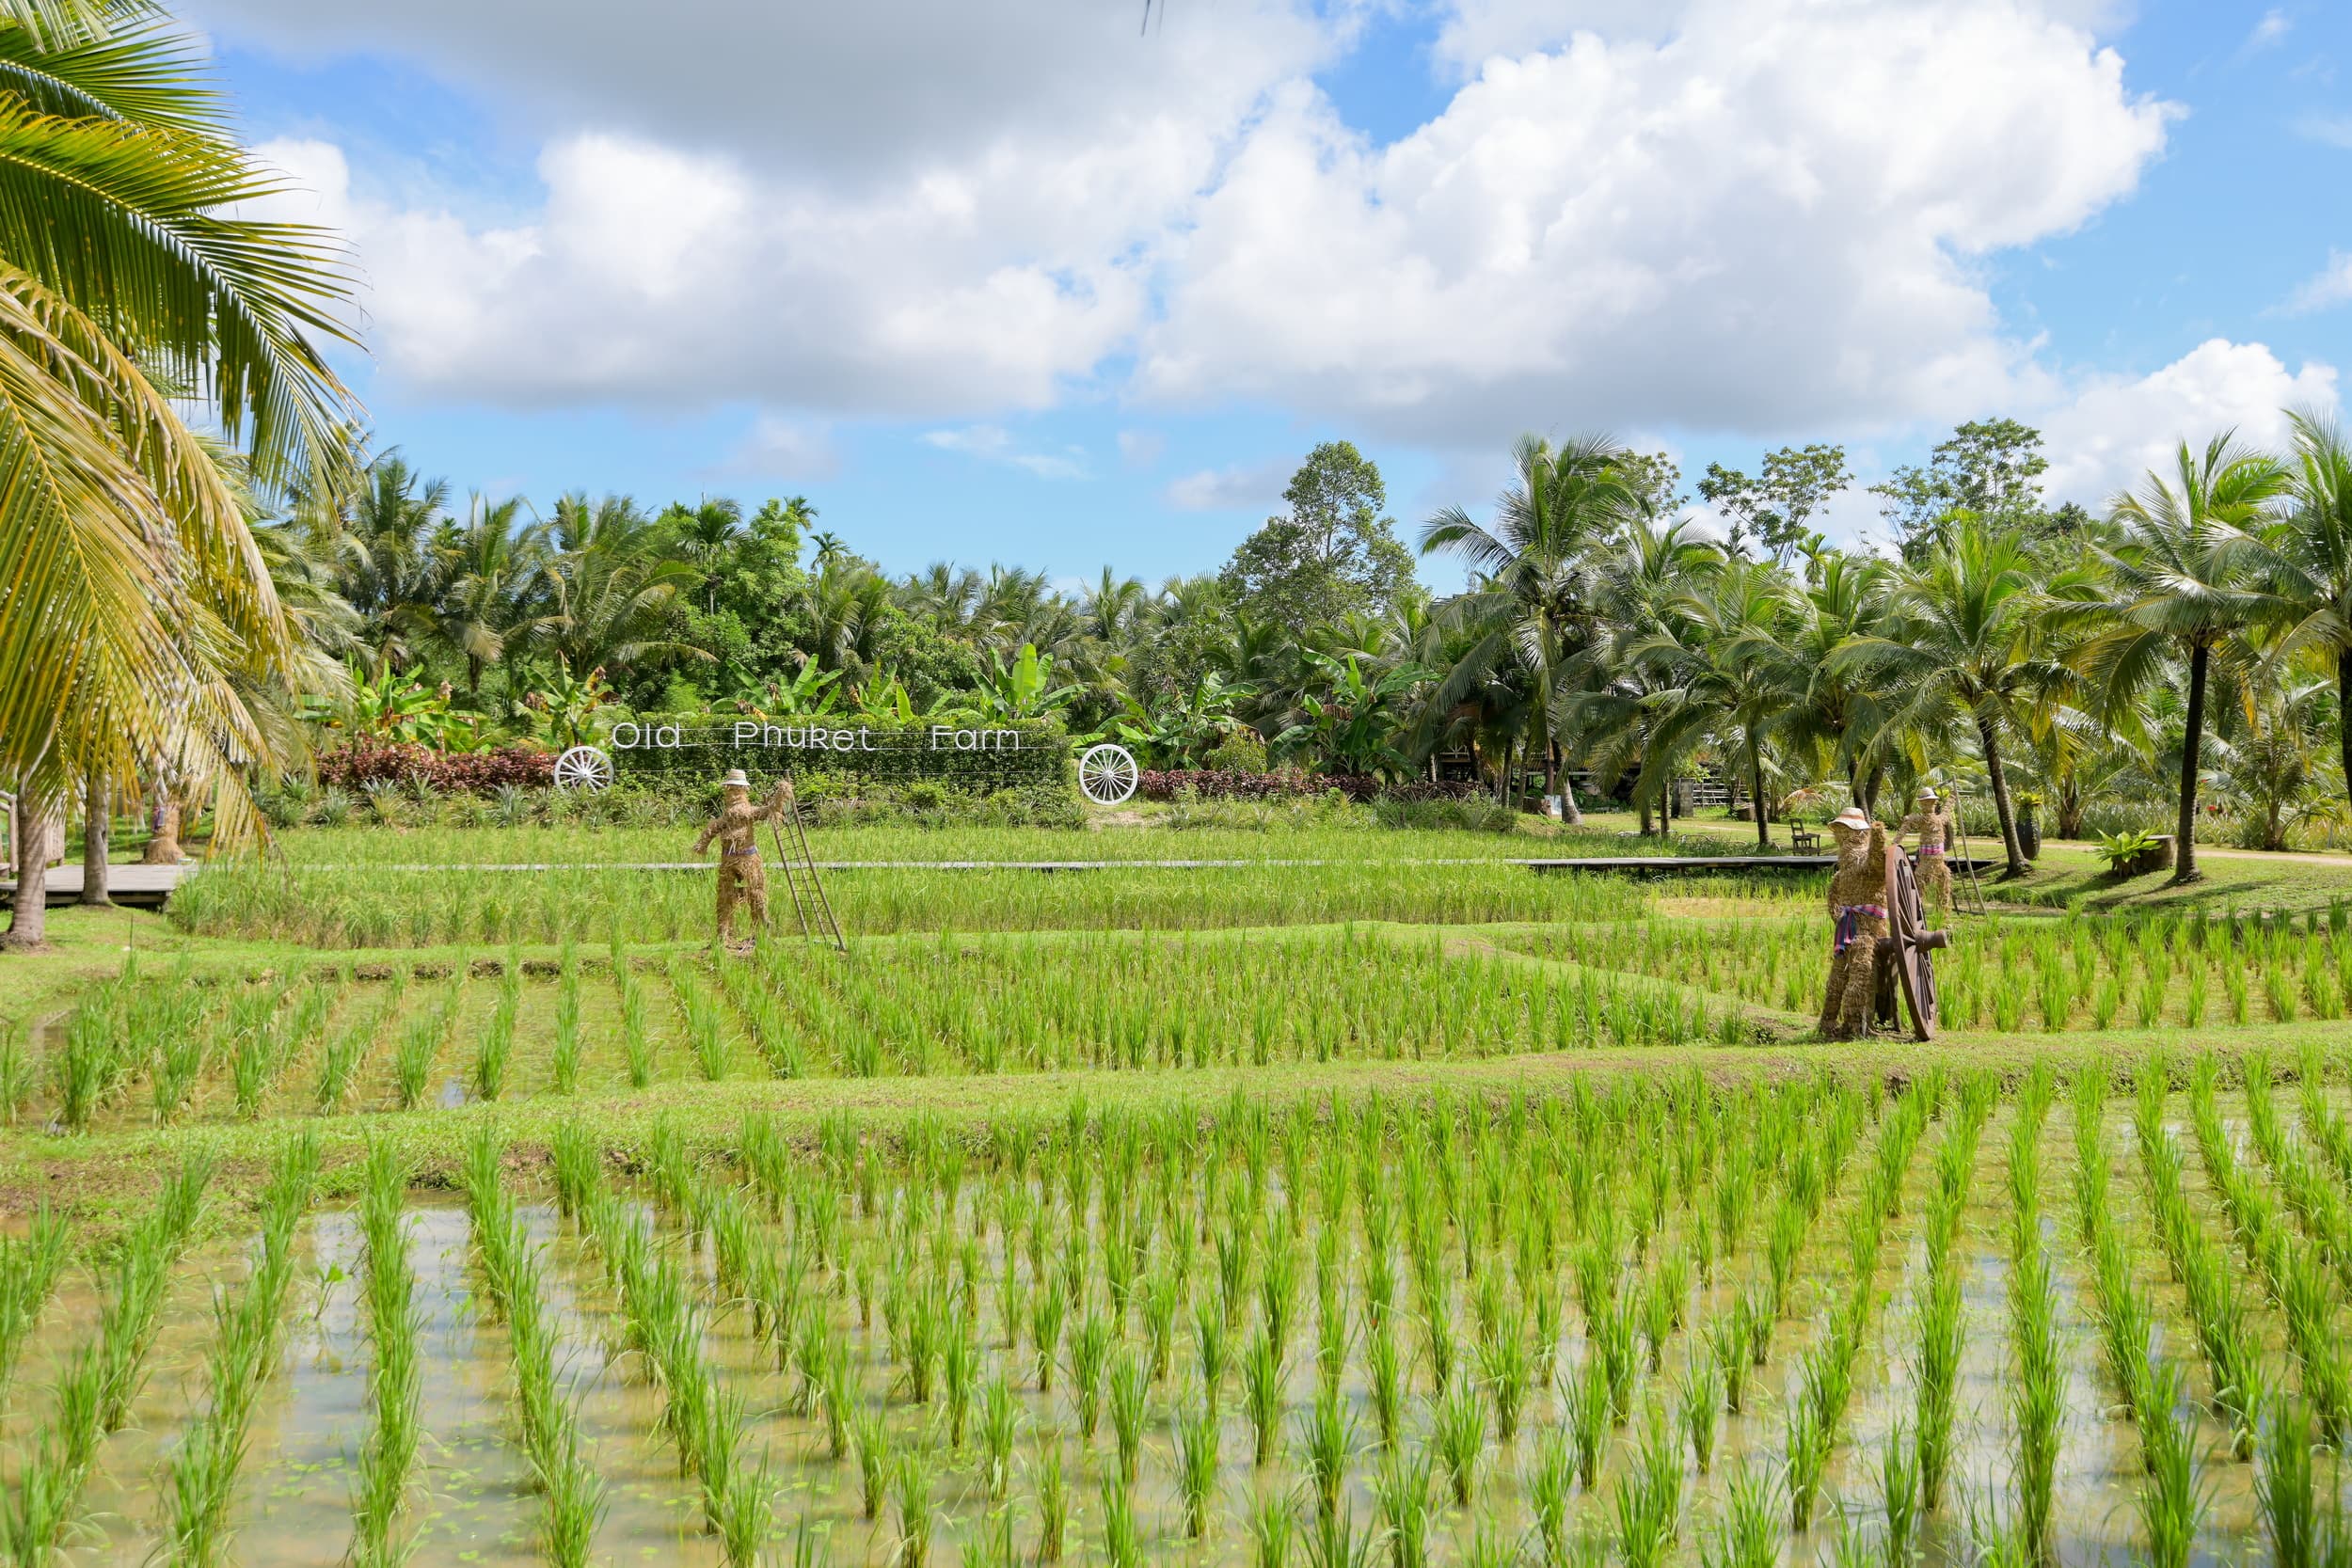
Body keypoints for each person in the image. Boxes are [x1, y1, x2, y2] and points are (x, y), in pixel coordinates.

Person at [691, 769, 795, 942]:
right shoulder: (726, 818)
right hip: (728, 860)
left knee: (756, 893)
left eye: (737, 790)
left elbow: (768, 811)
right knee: (724, 897)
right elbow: (713, 828)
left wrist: (781, 794)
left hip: (748, 858)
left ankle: (760, 930)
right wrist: (702, 844)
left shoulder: (748, 813)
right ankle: (723, 934)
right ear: (726, 790)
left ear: (744, 791)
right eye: (731, 790)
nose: (734, 794)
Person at [1819, 805, 1890, 1040]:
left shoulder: (1862, 858)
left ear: (1857, 833)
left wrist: (1878, 838)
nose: (1840, 836)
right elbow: (1833, 896)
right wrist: (1838, 917)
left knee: (1860, 973)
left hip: (1867, 930)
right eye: (1838, 831)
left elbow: (1878, 865)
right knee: (1837, 977)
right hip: (1846, 928)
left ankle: (1853, 1024)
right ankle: (1827, 1023)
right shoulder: (1844, 869)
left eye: (1844, 830)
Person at [1899, 788, 1953, 915]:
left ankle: (1943, 914)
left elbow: (1947, 811)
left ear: (1935, 803)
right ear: (1921, 804)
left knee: (1945, 879)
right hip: (1924, 863)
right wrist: (1895, 843)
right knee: (1919, 883)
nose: (1929, 805)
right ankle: (1917, 912)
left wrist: (1952, 797)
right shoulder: (1920, 819)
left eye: (1931, 802)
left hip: (1939, 864)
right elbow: (1905, 827)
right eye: (1925, 802)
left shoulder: (1939, 819)